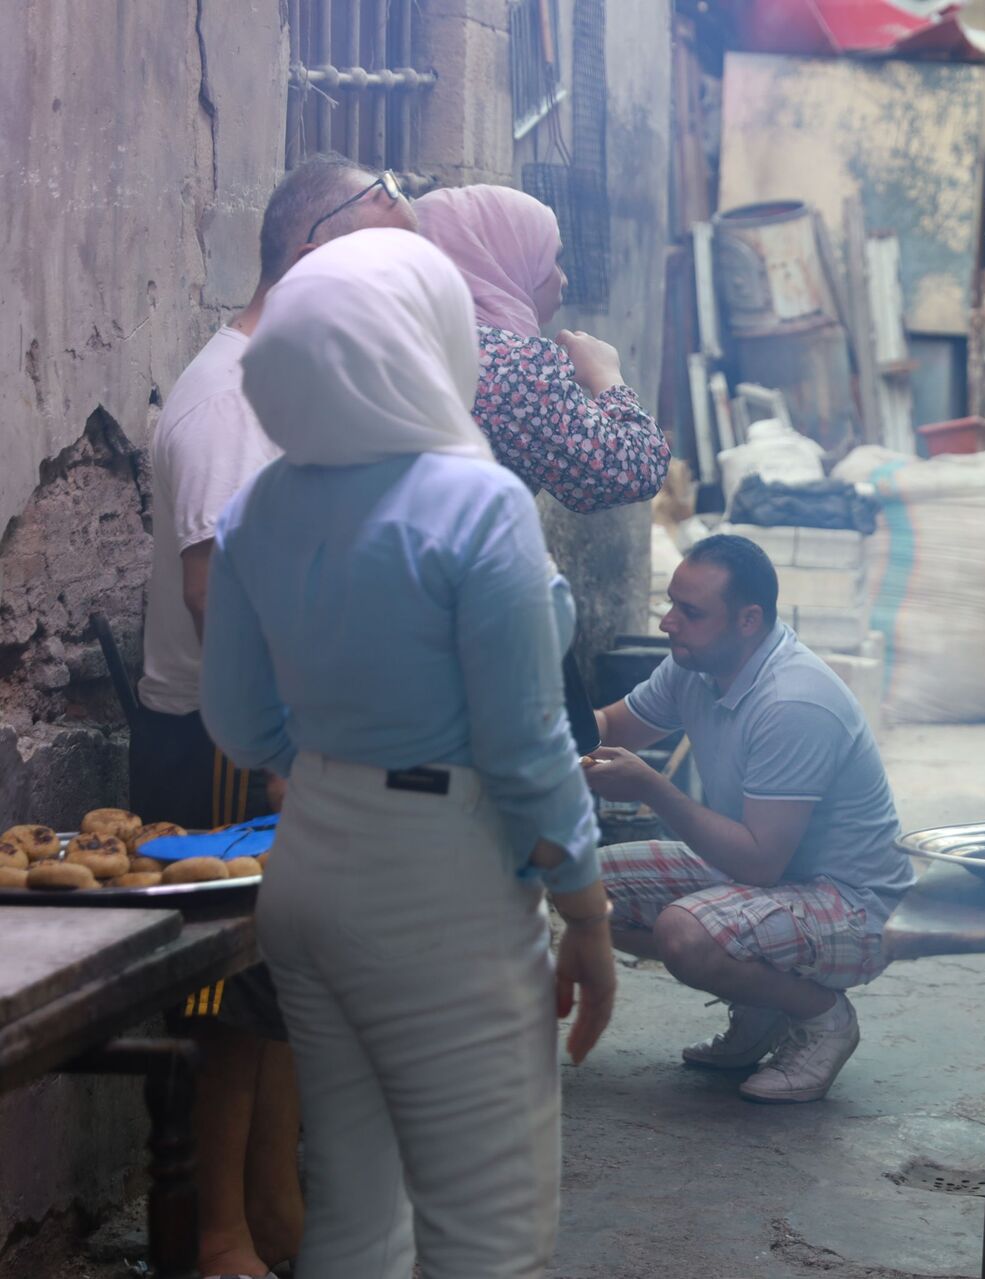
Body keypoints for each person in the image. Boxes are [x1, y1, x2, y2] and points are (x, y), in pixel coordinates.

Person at [200, 228, 617, 1279]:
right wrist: (588, 914)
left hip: (304, 873)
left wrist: (342, 758)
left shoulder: (259, 508)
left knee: (354, 1213)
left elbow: (243, 727)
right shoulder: (480, 505)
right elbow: (527, 751)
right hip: (440, 885)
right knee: (488, 1231)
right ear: (423, 347)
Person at [132, 151, 417, 1279]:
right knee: (227, 998)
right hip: (226, 748)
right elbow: (217, 602)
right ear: (310, 254)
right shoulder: (226, 397)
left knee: (287, 989)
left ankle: (278, 1211)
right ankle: (219, 1239)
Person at [583, 534, 914, 1104]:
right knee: (585, 890)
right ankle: (764, 1005)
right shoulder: (695, 665)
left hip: (855, 906)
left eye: (689, 612)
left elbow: (760, 862)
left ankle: (823, 1018)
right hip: (772, 876)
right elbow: (611, 728)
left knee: (685, 933)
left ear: (748, 620)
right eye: (671, 604)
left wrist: (650, 786)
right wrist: (527, 724)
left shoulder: (792, 701)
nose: (668, 623)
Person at [416, 183, 669, 513]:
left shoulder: (409, 337)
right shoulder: (511, 366)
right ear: (498, 259)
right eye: (551, 259)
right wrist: (606, 374)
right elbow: (636, 469)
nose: (562, 278)